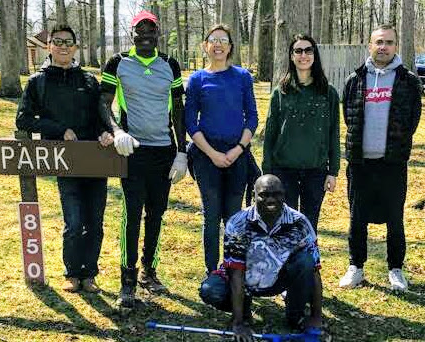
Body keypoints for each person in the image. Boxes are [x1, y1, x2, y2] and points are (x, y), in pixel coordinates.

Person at [99, 10, 188, 309]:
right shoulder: (118, 62)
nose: (146, 36)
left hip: (164, 152)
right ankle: (128, 280)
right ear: (132, 34)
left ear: (157, 34)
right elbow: (103, 102)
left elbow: (178, 109)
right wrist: (116, 129)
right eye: (140, 31)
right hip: (132, 150)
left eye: (151, 31)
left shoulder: (170, 65)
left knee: (157, 213)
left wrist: (181, 151)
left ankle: (150, 271)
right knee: (132, 214)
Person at [15, 25, 113, 293]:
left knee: (94, 221)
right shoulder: (38, 82)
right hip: (63, 162)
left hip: (95, 160)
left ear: (75, 47)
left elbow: (100, 118)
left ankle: (89, 274)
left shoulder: (89, 81)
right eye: (57, 42)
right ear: (49, 47)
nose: (63, 46)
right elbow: (23, 119)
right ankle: (72, 273)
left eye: (68, 42)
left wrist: (106, 134)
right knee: (73, 222)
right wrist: (58, 130)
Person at [339, 24, 422, 291]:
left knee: (395, 218)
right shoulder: (355, 79)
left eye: (388, 42)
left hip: (392, 163)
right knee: (357, 217)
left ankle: (395, 269)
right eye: (378, 42)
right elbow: (348, 115)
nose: (383, 47)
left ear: (396, 46)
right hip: (360, 163)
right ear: (370, 45)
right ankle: (356, 266)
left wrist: (395, 145)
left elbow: (412, 120)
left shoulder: (408, 82)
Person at [199, 175, 324, 341]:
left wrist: (317, 316)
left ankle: (296, 315)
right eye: (264, 195)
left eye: (277, 194)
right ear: (253, 195)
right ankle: (243, 310)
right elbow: (236, 274)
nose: (270, 199)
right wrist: (238, 322)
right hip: (245, 279)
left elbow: (315, 271)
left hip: (280, 278)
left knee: (306, 261)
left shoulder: (299, 223)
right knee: (210, 290)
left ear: (284, 195)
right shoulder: (238, 223)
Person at [185, 24, 259, 274]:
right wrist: (212, 153)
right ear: (205, 45)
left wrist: (238, 149)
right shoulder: (197, 79)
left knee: (234, 216)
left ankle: (233, 268)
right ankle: (211, 271)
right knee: (211, 216)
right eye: (213, 40)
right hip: (207, 155)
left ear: (230, 47)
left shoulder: (242, 77)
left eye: (223, 40)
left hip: (237, 155)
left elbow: (252, 118)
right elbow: (190, 122)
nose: (218, 44)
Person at [262, 34, 340, 232]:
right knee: (284, 224)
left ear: (314, 55)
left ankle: (307, 263)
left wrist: (333, 172)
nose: (303, 55)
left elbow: (333, 133)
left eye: (308, 50)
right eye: (298, 51)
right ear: (291, 56)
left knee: (308, 224)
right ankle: (285, 263)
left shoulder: (328, 92)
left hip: (316, 170)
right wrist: (267, 172)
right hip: (283, 170)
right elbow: (270, 134)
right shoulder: (281, 92)